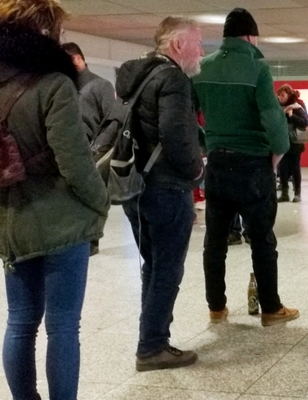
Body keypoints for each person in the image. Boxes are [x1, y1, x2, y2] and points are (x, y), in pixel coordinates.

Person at [0, 1, 110, 397]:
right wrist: (100, 201)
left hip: (8, 220)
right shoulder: (54, 84)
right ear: (46, 30)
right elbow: (74, 163)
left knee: (19, 321)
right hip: (60, 222)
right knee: (63, 325)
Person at [192, 8, 299, 327]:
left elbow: (185, 114)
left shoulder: (202, 67)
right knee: (262, 239)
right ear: (251, 37)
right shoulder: (257, 68)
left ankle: (216, 307)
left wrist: (206, 141)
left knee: (215, 240)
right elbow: (274, 121)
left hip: (218, 163)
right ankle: (270, 308)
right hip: (253, 165)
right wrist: (276, 155)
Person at [116, 16, 205, 371]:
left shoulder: (133, 76)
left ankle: (151, 338)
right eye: (197, 43)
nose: (201, 51)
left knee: (152, 267)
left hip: (135, 186)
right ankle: (152, 346)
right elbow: (176, 135)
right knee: (167, 269)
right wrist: (198, 171)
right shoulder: (172, 78)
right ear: (178, 45)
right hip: (167, 187)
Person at [61, 41, 116, 257]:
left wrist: (98, 149)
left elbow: (112, 120)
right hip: (71, 152)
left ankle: (92, 240)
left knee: (91, 197)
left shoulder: (100, 85)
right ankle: (78, 239)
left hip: (94, 152)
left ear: (77, 59)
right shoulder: (65, 87)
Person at [276, 84, 308, 203]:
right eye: (279, 95)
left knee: (295, 168)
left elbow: (304, 122)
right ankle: (284, 193)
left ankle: (297, 193)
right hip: (282, 141)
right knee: (282, 168)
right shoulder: (278, 106)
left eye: (283, 95)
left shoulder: (297, 106)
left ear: (289, 95)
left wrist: (291, 115)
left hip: (295, 143)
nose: (280, 98)